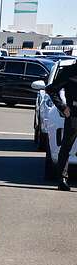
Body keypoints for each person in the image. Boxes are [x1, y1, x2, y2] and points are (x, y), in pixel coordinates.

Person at [46, 62, 77, 191]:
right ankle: (62, 179)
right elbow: (51, 89)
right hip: (74, 114)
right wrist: (63, 107)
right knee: (66, 147)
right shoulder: (69, 71)